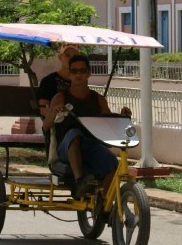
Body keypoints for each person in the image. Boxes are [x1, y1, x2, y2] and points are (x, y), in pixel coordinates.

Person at [42, 54, 131, 199]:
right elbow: (45, 127)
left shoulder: (99, 100)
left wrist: (122, 116)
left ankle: (104, 206)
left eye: (82, 71)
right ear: (69, 74)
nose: (78, 75)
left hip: (91, 145)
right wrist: (53, 112)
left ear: (89, 73)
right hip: (66, 147)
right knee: (74, 133)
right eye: (74, 71)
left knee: (113, 165)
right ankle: (79, 182)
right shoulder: (60, 98)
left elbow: (109, 123)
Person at [37, 43, 79, 118]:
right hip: (58, 125)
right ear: (60, 57)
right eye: (67, 55)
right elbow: (43, 110)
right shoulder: (48, 81)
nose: (71, 59)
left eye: (75, 56)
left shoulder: (80, 80)